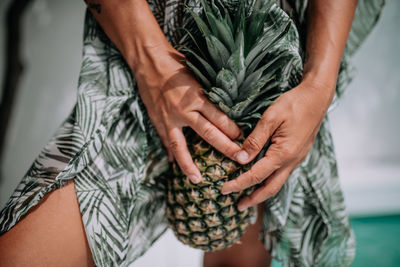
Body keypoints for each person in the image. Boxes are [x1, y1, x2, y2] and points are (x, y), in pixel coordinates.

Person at [0, 0, 385, 266]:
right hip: (142, 45)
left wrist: (319, 85)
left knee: (239, 257)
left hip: (274, 67)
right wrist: (150, 60)